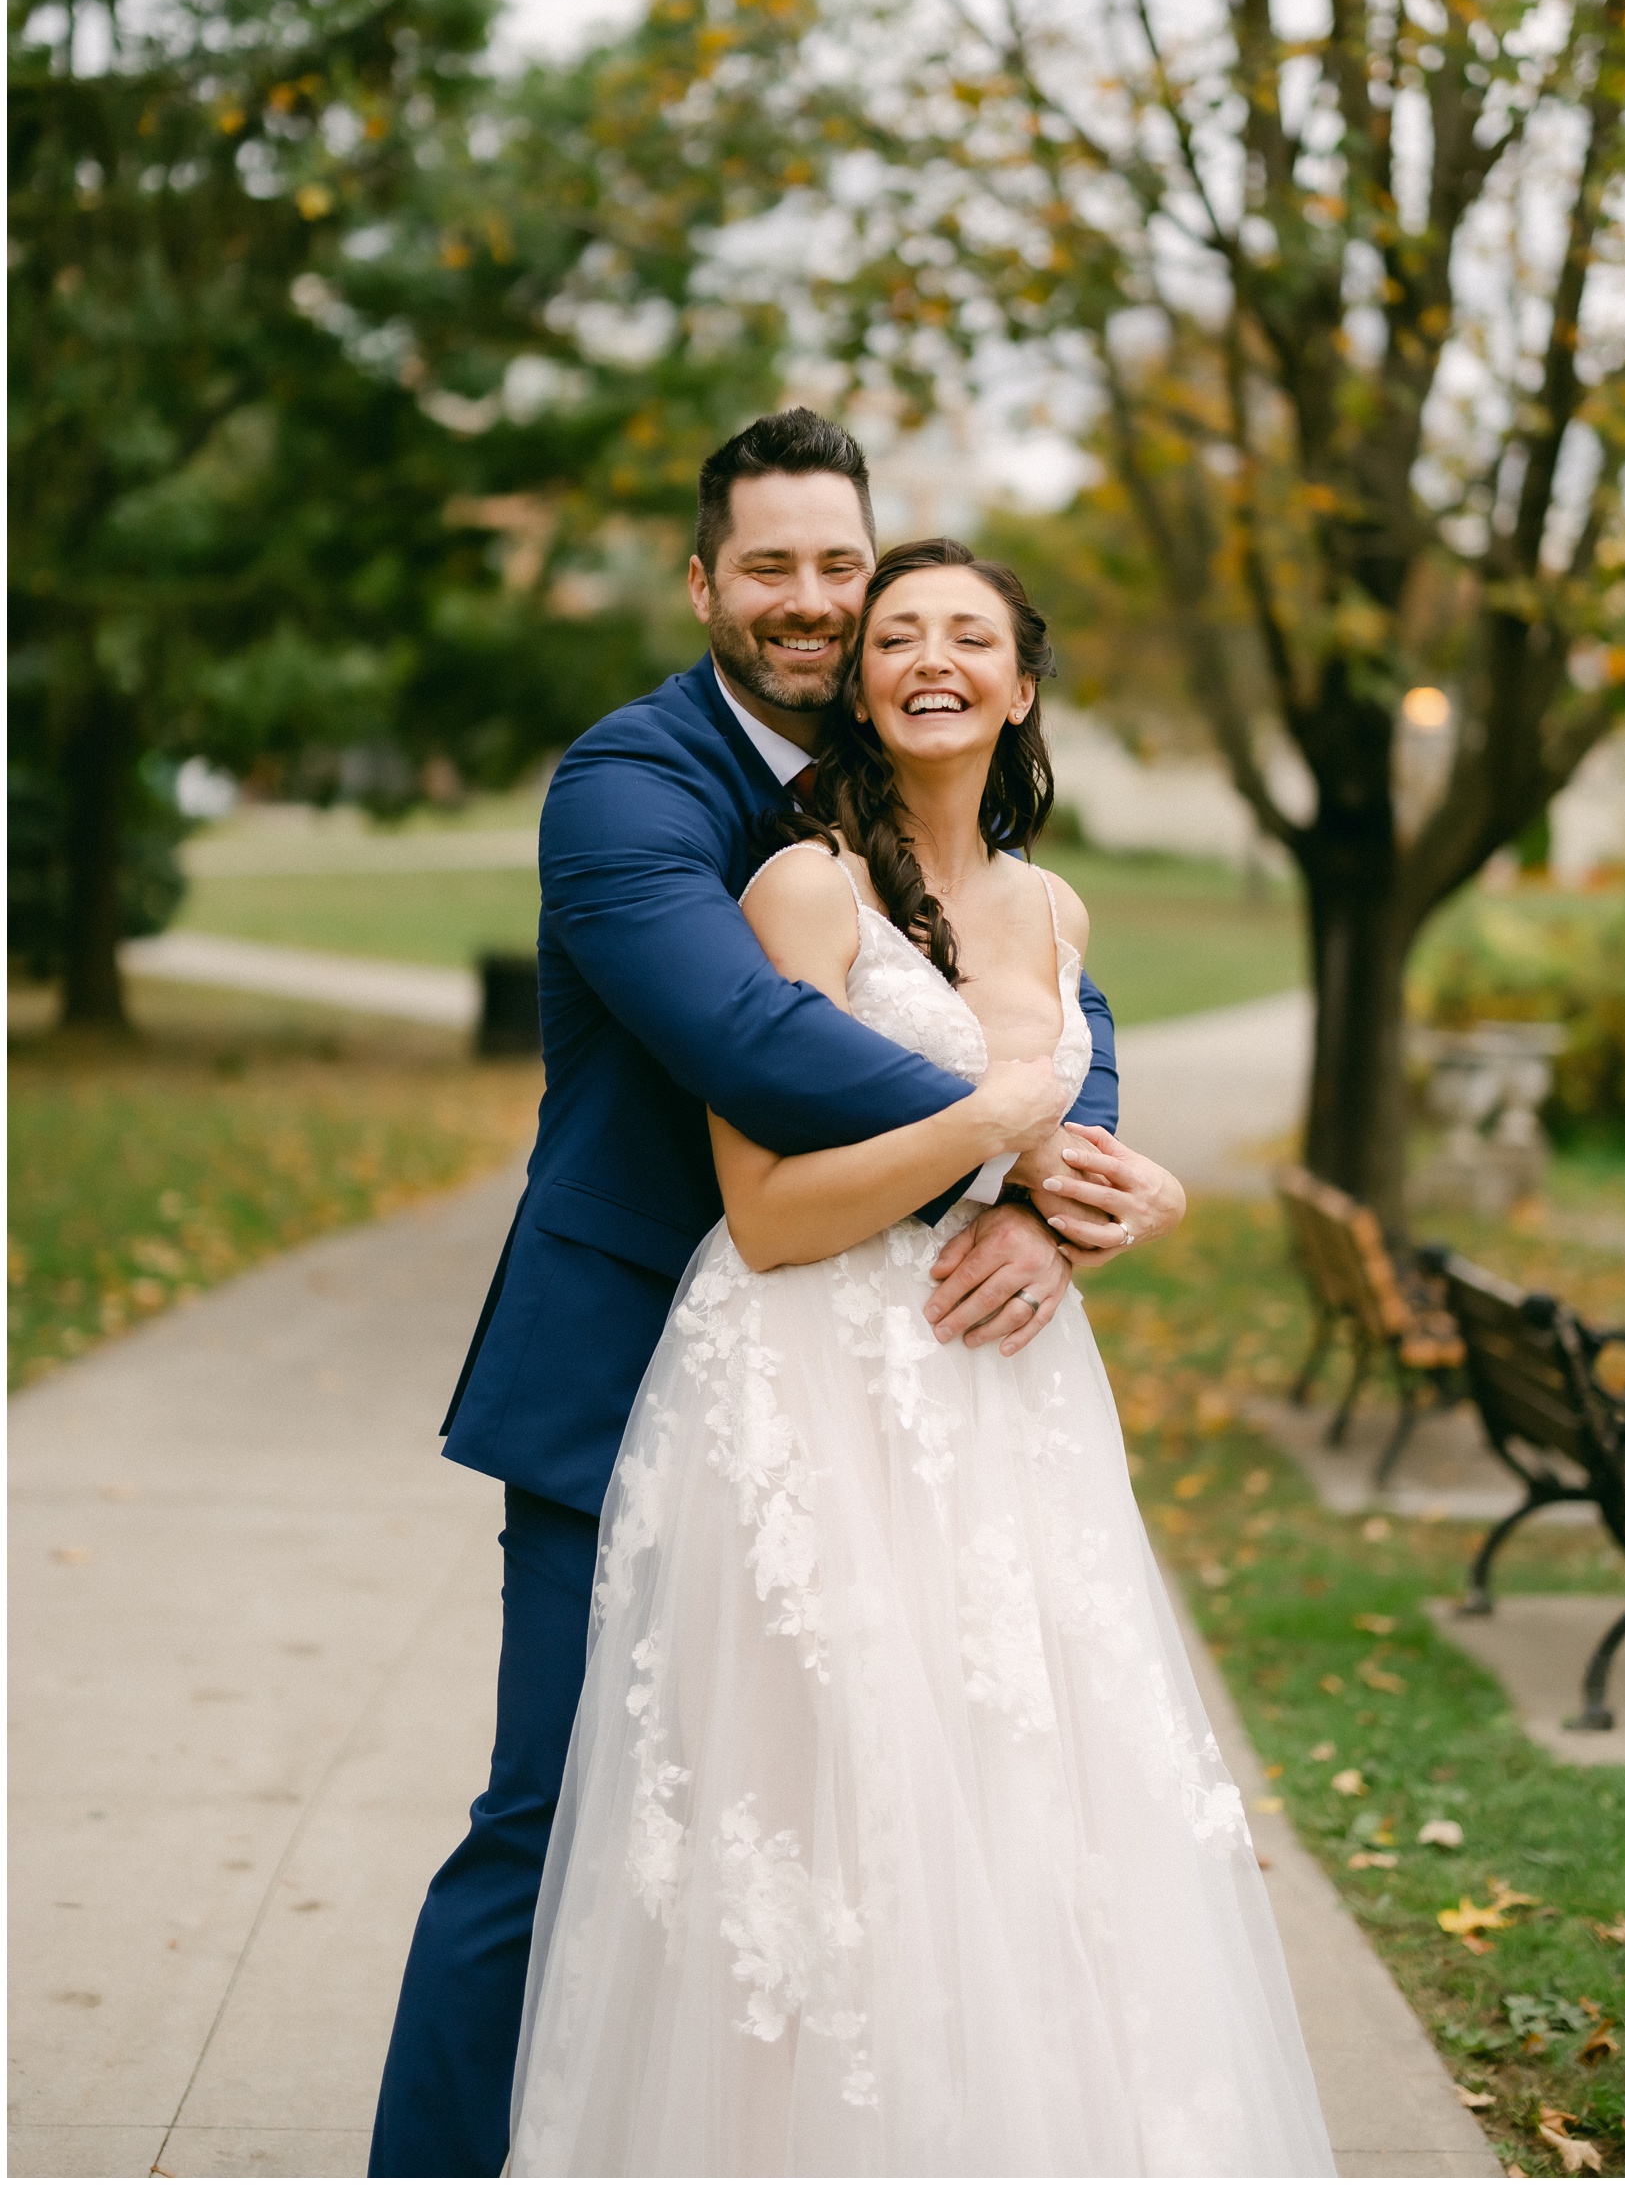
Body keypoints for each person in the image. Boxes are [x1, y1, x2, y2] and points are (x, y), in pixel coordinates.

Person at [369, 412, 1164, 2178]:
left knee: (845, 1845)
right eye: (772, 569)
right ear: (704, 582)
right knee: (566, 1820)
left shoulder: (912, 787)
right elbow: (746, 1037)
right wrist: (1010, 1153)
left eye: (840, 568)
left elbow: (1059, 1019)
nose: (813, 605)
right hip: (641, 1351)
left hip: (880, 1407)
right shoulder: (633, 784)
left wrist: (1059, 1187)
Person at [506, 540, 1333, 2175]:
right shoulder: (805, 890)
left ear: (1023, 687)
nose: (931, 655)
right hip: (812, 1401)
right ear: (866, 687)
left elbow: (1057, 1139)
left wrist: (1074, 1211)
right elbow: (764, 1215)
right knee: (832, 1844)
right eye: (899, 635)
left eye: (973, 635)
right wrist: (995, 1135)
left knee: (1030, 1824)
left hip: (1008, 1409)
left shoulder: (1055, 904)